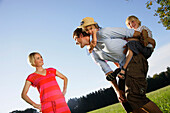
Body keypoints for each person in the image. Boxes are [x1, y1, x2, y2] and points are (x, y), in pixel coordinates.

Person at [73, 17, 162, 112]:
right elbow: (107, 71)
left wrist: (148, 40)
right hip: (124, 67)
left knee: (134, 97)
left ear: (81, 35)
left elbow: (131, 33)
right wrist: (118, 91)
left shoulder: (104, 32)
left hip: (135, 59)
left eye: (75, 39)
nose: (76, 43)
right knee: (125, 101)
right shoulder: (94, 54)